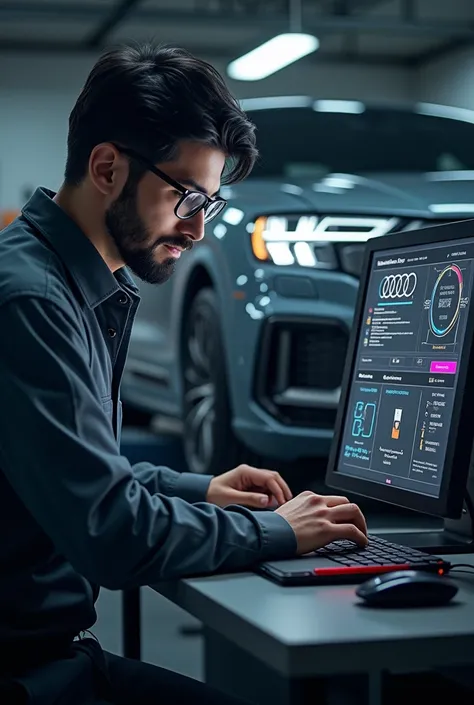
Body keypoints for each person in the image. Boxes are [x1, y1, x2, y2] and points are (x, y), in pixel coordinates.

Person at [0, 43, 368, 705]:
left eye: (211, 203)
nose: (197, 229)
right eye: (188, 197)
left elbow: (72, 468)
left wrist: (203, 489)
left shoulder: (65, 282)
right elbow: (108, 529)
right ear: (108, 167)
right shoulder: (31, 301)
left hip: (54, 656)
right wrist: (279, 531)